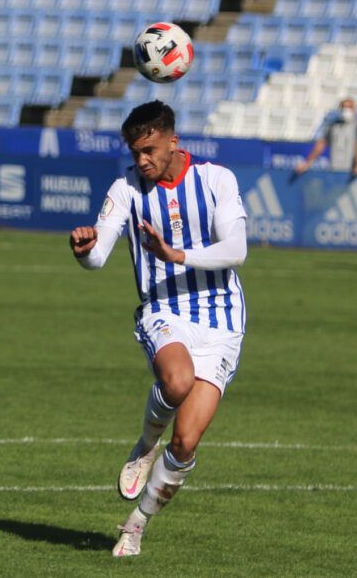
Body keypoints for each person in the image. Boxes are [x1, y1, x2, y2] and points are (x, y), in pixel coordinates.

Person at [69, 100, 248, 557]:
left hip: (223, 318)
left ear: (173, 140)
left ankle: (136, 524)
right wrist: (84, 249)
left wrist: (178, 256)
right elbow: (97, 257)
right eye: (135, 153)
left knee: (186, 441)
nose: (142, 161)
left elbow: (237, 249)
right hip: (164, 308)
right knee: (177, 379)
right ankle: (146, 445)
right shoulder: (126, 188)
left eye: (149, 150)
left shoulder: (216, 180)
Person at [294, 98, 357, 177]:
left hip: (353, 171)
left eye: (349, 107)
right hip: (336, 167)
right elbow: (321, 144)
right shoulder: (333, 125)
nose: (346, 110)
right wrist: (308, 163)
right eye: (344, 107)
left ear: (354, 109)